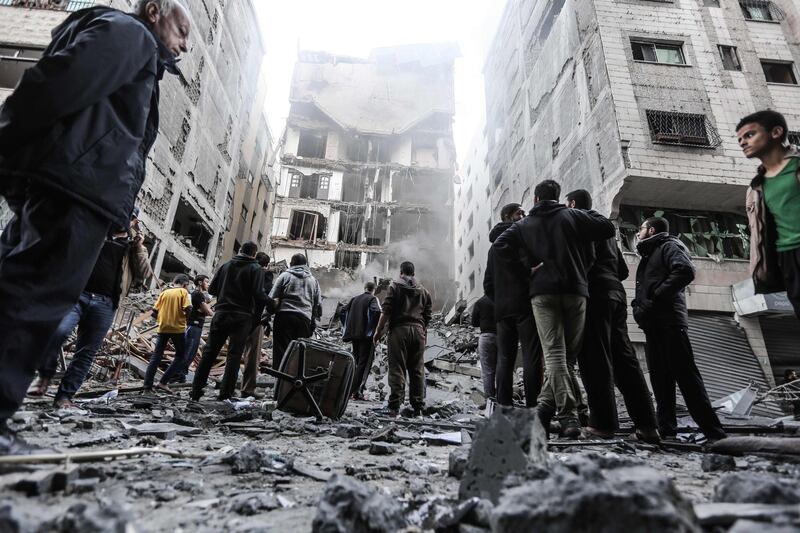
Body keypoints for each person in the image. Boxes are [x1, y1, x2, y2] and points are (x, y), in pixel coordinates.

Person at [0, 0, 190, 453]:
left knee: (18, 292)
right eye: (182, 30)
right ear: (154, 10)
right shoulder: (130, 36)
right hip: (75, 189)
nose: (184, 45)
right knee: (31, 303)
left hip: (74, 186)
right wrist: (6, 142)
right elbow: (55, 85)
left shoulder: (130, 42)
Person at [493, 179, 615, 439]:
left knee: (558, 357)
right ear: (558, 198)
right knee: (565, 357)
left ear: (535, 200)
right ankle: (570, 413)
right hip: (576, 291)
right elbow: (606, 227)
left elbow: (499, 247)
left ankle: (550, 412)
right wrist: (581, 213)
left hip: (543, 293)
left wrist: (526, 270)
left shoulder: (524, 224)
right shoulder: (573, 216)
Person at [29, 210, 154, 407]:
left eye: (128, 216)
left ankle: (64, 397)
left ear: (134, 221)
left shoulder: (132, 246)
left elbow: (145, 273)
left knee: (86, 352)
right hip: (76, 296)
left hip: (105, 304)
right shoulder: (95, 232)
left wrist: (138, 247)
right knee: (57, 332)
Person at [565, 190, 659, 443]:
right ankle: (648, 426)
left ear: (572, 204)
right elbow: (622, 270)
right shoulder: (606, 229)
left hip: (594, 294)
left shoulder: (579, 223)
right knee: (624, 359)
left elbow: (584, 261)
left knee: (595, 358)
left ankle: (603, 424)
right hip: (616, 294)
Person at [632, 217, 727, 442]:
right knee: (660, 380)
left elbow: (685, 270)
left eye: (641, 228)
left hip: (669, 323)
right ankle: (666, 430)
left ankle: (715, 434)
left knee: (687, 378)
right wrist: (640, 307)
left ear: (651, 230)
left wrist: (655, 296)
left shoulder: (669, 246)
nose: (638, 232)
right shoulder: (651, 252)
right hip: (654, 324)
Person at [738, 110, 800, 320]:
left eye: (749, 135)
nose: (742, 142)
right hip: (787, 261)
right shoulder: (756, 187)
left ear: (776, 132)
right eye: (739, 139)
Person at [191, 242, 267, 401]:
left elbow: (211, 290)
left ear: (240, 250)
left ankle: (196, 391)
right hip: (242, 317)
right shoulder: (256, 269)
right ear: (254, 254)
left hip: (221, 313)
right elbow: (259, 294)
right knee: (234, 355)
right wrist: (272, 303)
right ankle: (225, 394)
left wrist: (226, 292)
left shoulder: (226, 266)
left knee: (209, 353)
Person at [484, 202, 543, 408]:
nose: (524, 215)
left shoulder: (493, 249)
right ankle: (534, 405)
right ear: (508, 216)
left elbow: (487, 285)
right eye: (520, 213)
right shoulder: (522, 239)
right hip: (525, 305)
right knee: (531, 355)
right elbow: (534, 267)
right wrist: (529, 275)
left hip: (503, 310)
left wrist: (500, 299)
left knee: (505, 357)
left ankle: (504, 403)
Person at [374, 261, 433, 417]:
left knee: (397, 368)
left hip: (399, 331)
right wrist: (422, 331)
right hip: (418, 332)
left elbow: (386, 312)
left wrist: (378, 331)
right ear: (413, 273)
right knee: (417, 370)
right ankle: (418, 407)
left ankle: (394, 407)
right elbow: (428, 315)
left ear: (401, 272)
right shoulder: (424, 291)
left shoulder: (395, 286)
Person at [269, 253, 322, 371]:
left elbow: (272, 297)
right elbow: (318, 305)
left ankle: (280, 378)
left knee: (281, 350)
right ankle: (293, 380)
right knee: (299, 351)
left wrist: (266, 315)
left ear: (292, 263)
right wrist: (313, 321)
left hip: (284, 316)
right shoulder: (313, 281)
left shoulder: (285, 276)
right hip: (304, 319)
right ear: (305, 264)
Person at [144, 274, 192, 392]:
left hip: (163, 328)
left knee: (156, 356)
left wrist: (163, 319)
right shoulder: (183, 292)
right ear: (185, 284)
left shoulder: (164, 293)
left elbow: (154, 312)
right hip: (177, 329)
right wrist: (186, 320)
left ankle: (147, 385)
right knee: (181, 356)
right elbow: (188, 308)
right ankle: (163, 382)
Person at [168, 274, 213, 384]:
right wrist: (213, 313)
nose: (208, 284)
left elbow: (204, 310)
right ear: (200, 283)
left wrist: (205, 310)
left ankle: (180, 375)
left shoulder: (200, 295)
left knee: (191, 353)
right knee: (188, 352)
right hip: (193, 326)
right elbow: (207, 311)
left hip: (197, 326)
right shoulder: (197, 294)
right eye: (206, 281)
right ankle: (176, 375)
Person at [241, 252, 274, 398]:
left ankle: (226, 389)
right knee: (252, 355)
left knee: (234, 352)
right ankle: (248, 389)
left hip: (237, 315)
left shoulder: (242, 269)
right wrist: (272, 304)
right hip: (255, 319)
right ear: (266, 264)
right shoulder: (264, 274)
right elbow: (264, 295)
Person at [342, 282, 382, 400]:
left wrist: (346, 327)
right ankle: (354, 391)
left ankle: (348, 388)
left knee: (356, 360)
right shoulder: (373, 299)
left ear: (364, 288)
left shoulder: (355, 299)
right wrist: (372, 329)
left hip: (354, 335)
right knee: (363, 363)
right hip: (365, 336)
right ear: (373, 290)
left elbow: (343, 310)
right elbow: (376, 311)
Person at [471, 294, 498, 412]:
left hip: (486, 336)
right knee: (503, 369)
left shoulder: (480, 302)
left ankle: (490, 401)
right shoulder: (501, 298)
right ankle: (503, 400)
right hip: (502, 335)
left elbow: (474, 323)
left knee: (487, 371)